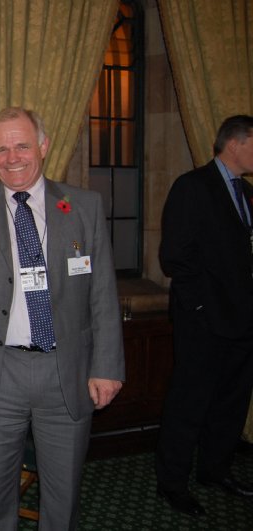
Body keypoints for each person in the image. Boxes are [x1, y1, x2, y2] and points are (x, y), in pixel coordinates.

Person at [0, 107, 125, 530]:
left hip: (67, 371)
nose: (12, 156)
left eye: (22, 145)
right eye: (1, 148)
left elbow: (103, 294)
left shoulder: (84, 206)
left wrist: (107, 366)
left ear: (43, 146)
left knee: (63, 495)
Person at [155, 115, 253, 516]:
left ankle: (215, 468)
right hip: (203, 322)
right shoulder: (192, 186)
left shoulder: (247, 193)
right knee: (189, 403)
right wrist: (198, 310)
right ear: (235, 143)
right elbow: (175, 257)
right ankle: (172, 483)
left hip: (244, 321)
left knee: (231, 402)